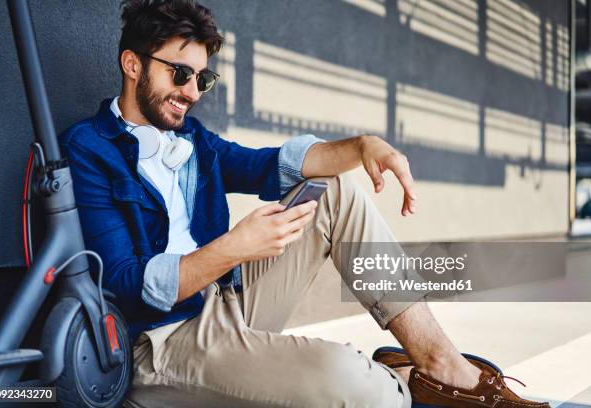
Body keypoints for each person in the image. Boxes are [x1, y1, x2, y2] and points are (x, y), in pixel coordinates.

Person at [58, 1, 550, 406]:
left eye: (202, 80)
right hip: (163, 342)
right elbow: (124, 282)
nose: (191, 92)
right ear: (133, 64)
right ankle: (399, 386)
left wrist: (360, 147)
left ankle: (441, 366)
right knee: (355, 386)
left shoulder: (192, 140)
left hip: (225, 300)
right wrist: (233, 248)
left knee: (333, 189)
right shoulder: (90, 147)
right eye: (180, 73)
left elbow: (270, 164)